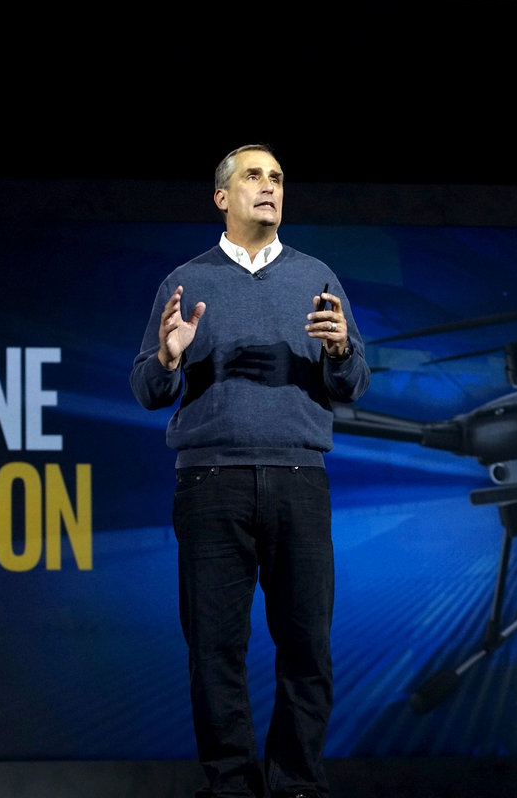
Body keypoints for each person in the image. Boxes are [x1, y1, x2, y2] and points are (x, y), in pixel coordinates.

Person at [130, 144, 371, 798]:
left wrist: (340, 351)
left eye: (277, 178)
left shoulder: (317, 276)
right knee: (215, 649)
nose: (269, 187)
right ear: (222, 197)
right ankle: (231, 785)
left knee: (307, 647)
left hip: (299, 481)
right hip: (211, 486)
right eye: (254, 176)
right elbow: (147, 390)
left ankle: (297, 784)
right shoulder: (186, 282)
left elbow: (353, 384)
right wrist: (169, 358)